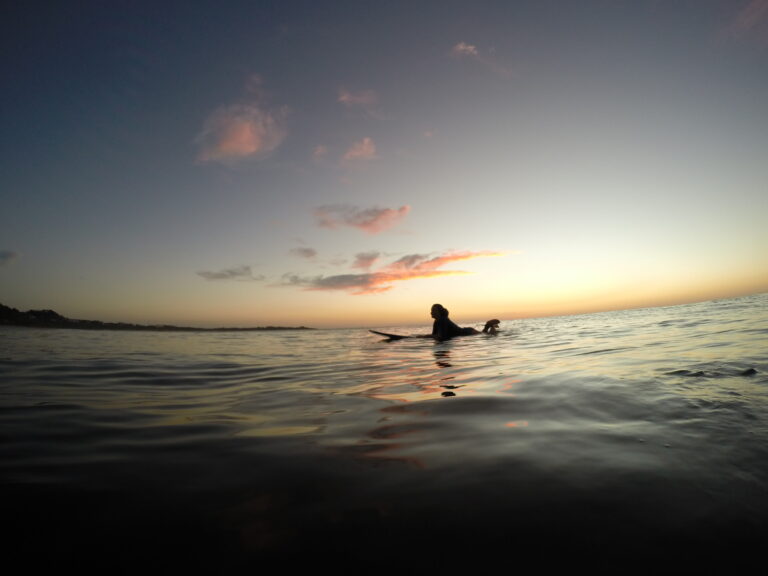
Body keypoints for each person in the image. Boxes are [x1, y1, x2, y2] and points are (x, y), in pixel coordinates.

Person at [430, 303, 500, 340]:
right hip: (466, 331)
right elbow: (434, 335)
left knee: (488, 335)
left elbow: (442, 337)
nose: (431, 312)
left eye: (433, 310)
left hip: (467, 332)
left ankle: (490, 325)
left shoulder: (442, 320)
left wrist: (422, 337)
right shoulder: (437, 321)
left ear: (439, 312)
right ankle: (487, 325)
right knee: (484, 334)